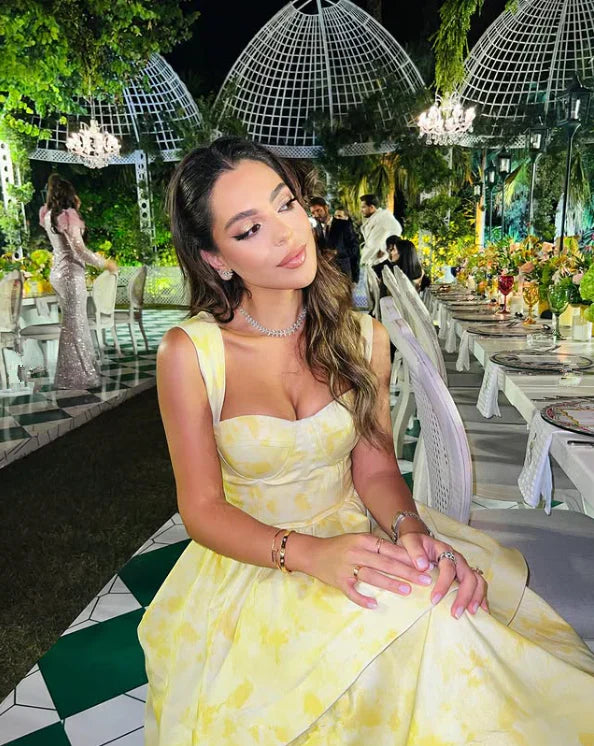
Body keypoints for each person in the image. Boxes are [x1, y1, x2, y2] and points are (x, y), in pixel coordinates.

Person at [138, 137, 594, 745]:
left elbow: (375, 469)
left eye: (286, 204)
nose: (286, 233)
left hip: (357, 530)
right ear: (216, 258)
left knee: (445, 618)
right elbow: (200, 509)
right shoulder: (190, 354)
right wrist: (310, 554)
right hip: (256, 560)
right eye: (250, 229)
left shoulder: (362, 336)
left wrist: (411, 531)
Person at [39, 175, 117, 389]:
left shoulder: (48, 215)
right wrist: (104, 263)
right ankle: (78, 377)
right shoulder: (68, 215)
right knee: (76, 324)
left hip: (57, 274)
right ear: (70, 194)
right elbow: (79, 249)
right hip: (71, 275)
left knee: (71, 324)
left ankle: (72, 374)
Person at [309, 196, 360, 283]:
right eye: (313, 213)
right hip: (326, 278)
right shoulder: (316, 230)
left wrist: (355, 278)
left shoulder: (344, 224)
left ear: (326, 208)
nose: (316, 215)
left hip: (344, 275)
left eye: (318, 210)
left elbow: (355, 249)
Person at [359, 193, 402, 280]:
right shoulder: (373, 218)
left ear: (371, 207)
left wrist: (384, 249)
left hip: (380, 263)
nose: (361, 210)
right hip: (370, 262)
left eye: (363, 207)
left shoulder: (384, 216)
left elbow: (397, 229)